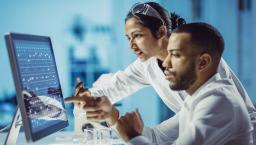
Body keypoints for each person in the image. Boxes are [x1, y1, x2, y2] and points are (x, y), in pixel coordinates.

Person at [65, 1, 255, 134]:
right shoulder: (147, 64)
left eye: (138, 35)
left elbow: (213, 113)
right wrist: (89, 97)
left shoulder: (198, 59)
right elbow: (117, 85)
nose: (131, 45)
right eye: (128, 38)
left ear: (161, 31)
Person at [115, 22, 253, 145]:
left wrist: (133, 136)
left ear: (203, 62)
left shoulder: (219, 102)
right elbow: (158, 138)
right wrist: (113, 116)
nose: (165, 63)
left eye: (175, 55)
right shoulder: (196, 99)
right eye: (168, 54)